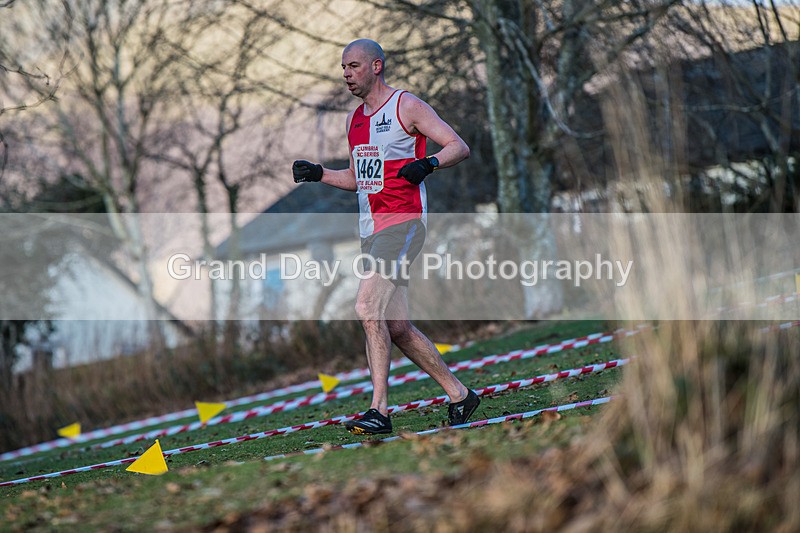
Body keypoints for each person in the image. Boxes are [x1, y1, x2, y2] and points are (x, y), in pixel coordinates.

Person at [292, 39, 479, 435]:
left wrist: (427, 163)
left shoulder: (405, 106)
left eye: (353, 66)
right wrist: (319, 173)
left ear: (376, 66)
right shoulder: (354, 121)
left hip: (404, 223)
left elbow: (458, 147)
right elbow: (361, 179)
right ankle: (460, 394)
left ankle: (379, 410)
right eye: (343, 67)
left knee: (365, 306)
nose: (346, 73)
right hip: (370, 229)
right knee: (397, 327)